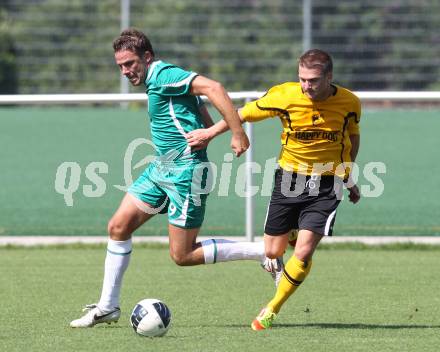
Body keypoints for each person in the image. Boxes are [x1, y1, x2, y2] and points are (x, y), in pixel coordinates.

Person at [70, 28, 282, 328]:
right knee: (118, 226)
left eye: (130, 63)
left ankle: (263, 252)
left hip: (186, 173)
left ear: (147, 57)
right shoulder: (158, 80)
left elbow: (215, 88)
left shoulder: (163, 75)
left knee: (182, 255)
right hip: (161, 168)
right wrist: (208, 131)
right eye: (120, 66)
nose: (126, 71)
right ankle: (107, 307)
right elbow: (197, 105)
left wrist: (237, 132)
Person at [186, 49, 361, 330]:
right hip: (289, 182)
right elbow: (240, 114)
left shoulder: (350, 102)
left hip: (327, 184)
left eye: (314, 80)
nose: (307, 86)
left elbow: (351, 137)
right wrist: (209, 133)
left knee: (303, 254)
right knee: (271, 252)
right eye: (302, 79)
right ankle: (290, 234)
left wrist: (348, 176)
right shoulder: (285, 96)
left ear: (329, 76)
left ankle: (272, 308)